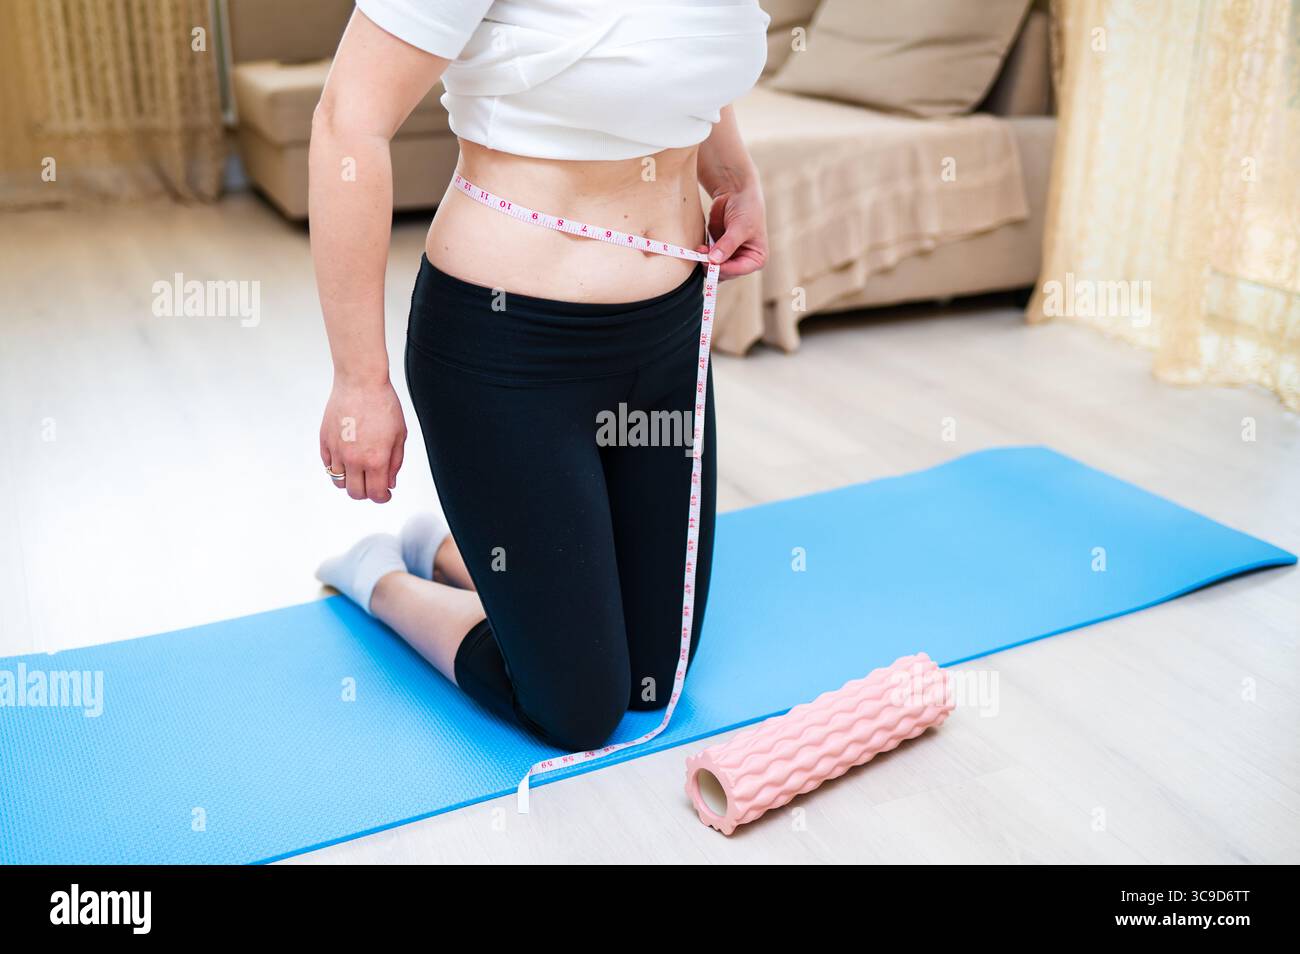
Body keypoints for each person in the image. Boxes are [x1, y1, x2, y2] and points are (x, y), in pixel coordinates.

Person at [312, 0, 771, 752]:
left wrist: (735, 177)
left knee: (658, 674)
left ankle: (456, 547)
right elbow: (347, 123)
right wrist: (359, 380)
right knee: (579, 708)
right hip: (509, 356)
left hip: (669, 336)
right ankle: (380, 577)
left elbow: (689, 50)